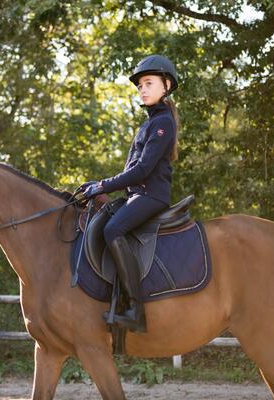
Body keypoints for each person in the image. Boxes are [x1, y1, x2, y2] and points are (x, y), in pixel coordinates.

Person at [83, 54, 180, 332]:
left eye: (149, 83)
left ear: (166, 85)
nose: (143, 89)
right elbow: (131, 173)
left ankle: (136, 309)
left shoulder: (162, 123)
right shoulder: (149, 123)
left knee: (112, 230)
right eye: (140, 86)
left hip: (152, 196)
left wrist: (101, 185)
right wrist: (97, 187)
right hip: (137, 195)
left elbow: (141, 171)